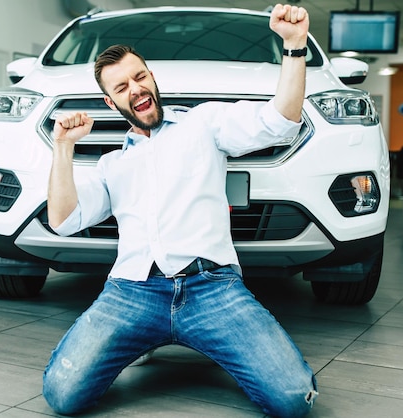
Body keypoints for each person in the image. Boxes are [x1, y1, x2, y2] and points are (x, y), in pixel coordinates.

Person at [43, 4, 318, 417]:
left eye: (139, 77)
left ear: (152, 78)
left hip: (213, 289)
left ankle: (206, 340)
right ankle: (139, 339)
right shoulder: (111, 165)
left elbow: (280, 121)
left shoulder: (203, 124)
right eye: (121, 87)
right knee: (62, 396)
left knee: (294, 401)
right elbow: (62, 221)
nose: (134, 89)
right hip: (131, 292)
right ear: (110, 99)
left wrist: (294, 47)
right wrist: (63, 147)